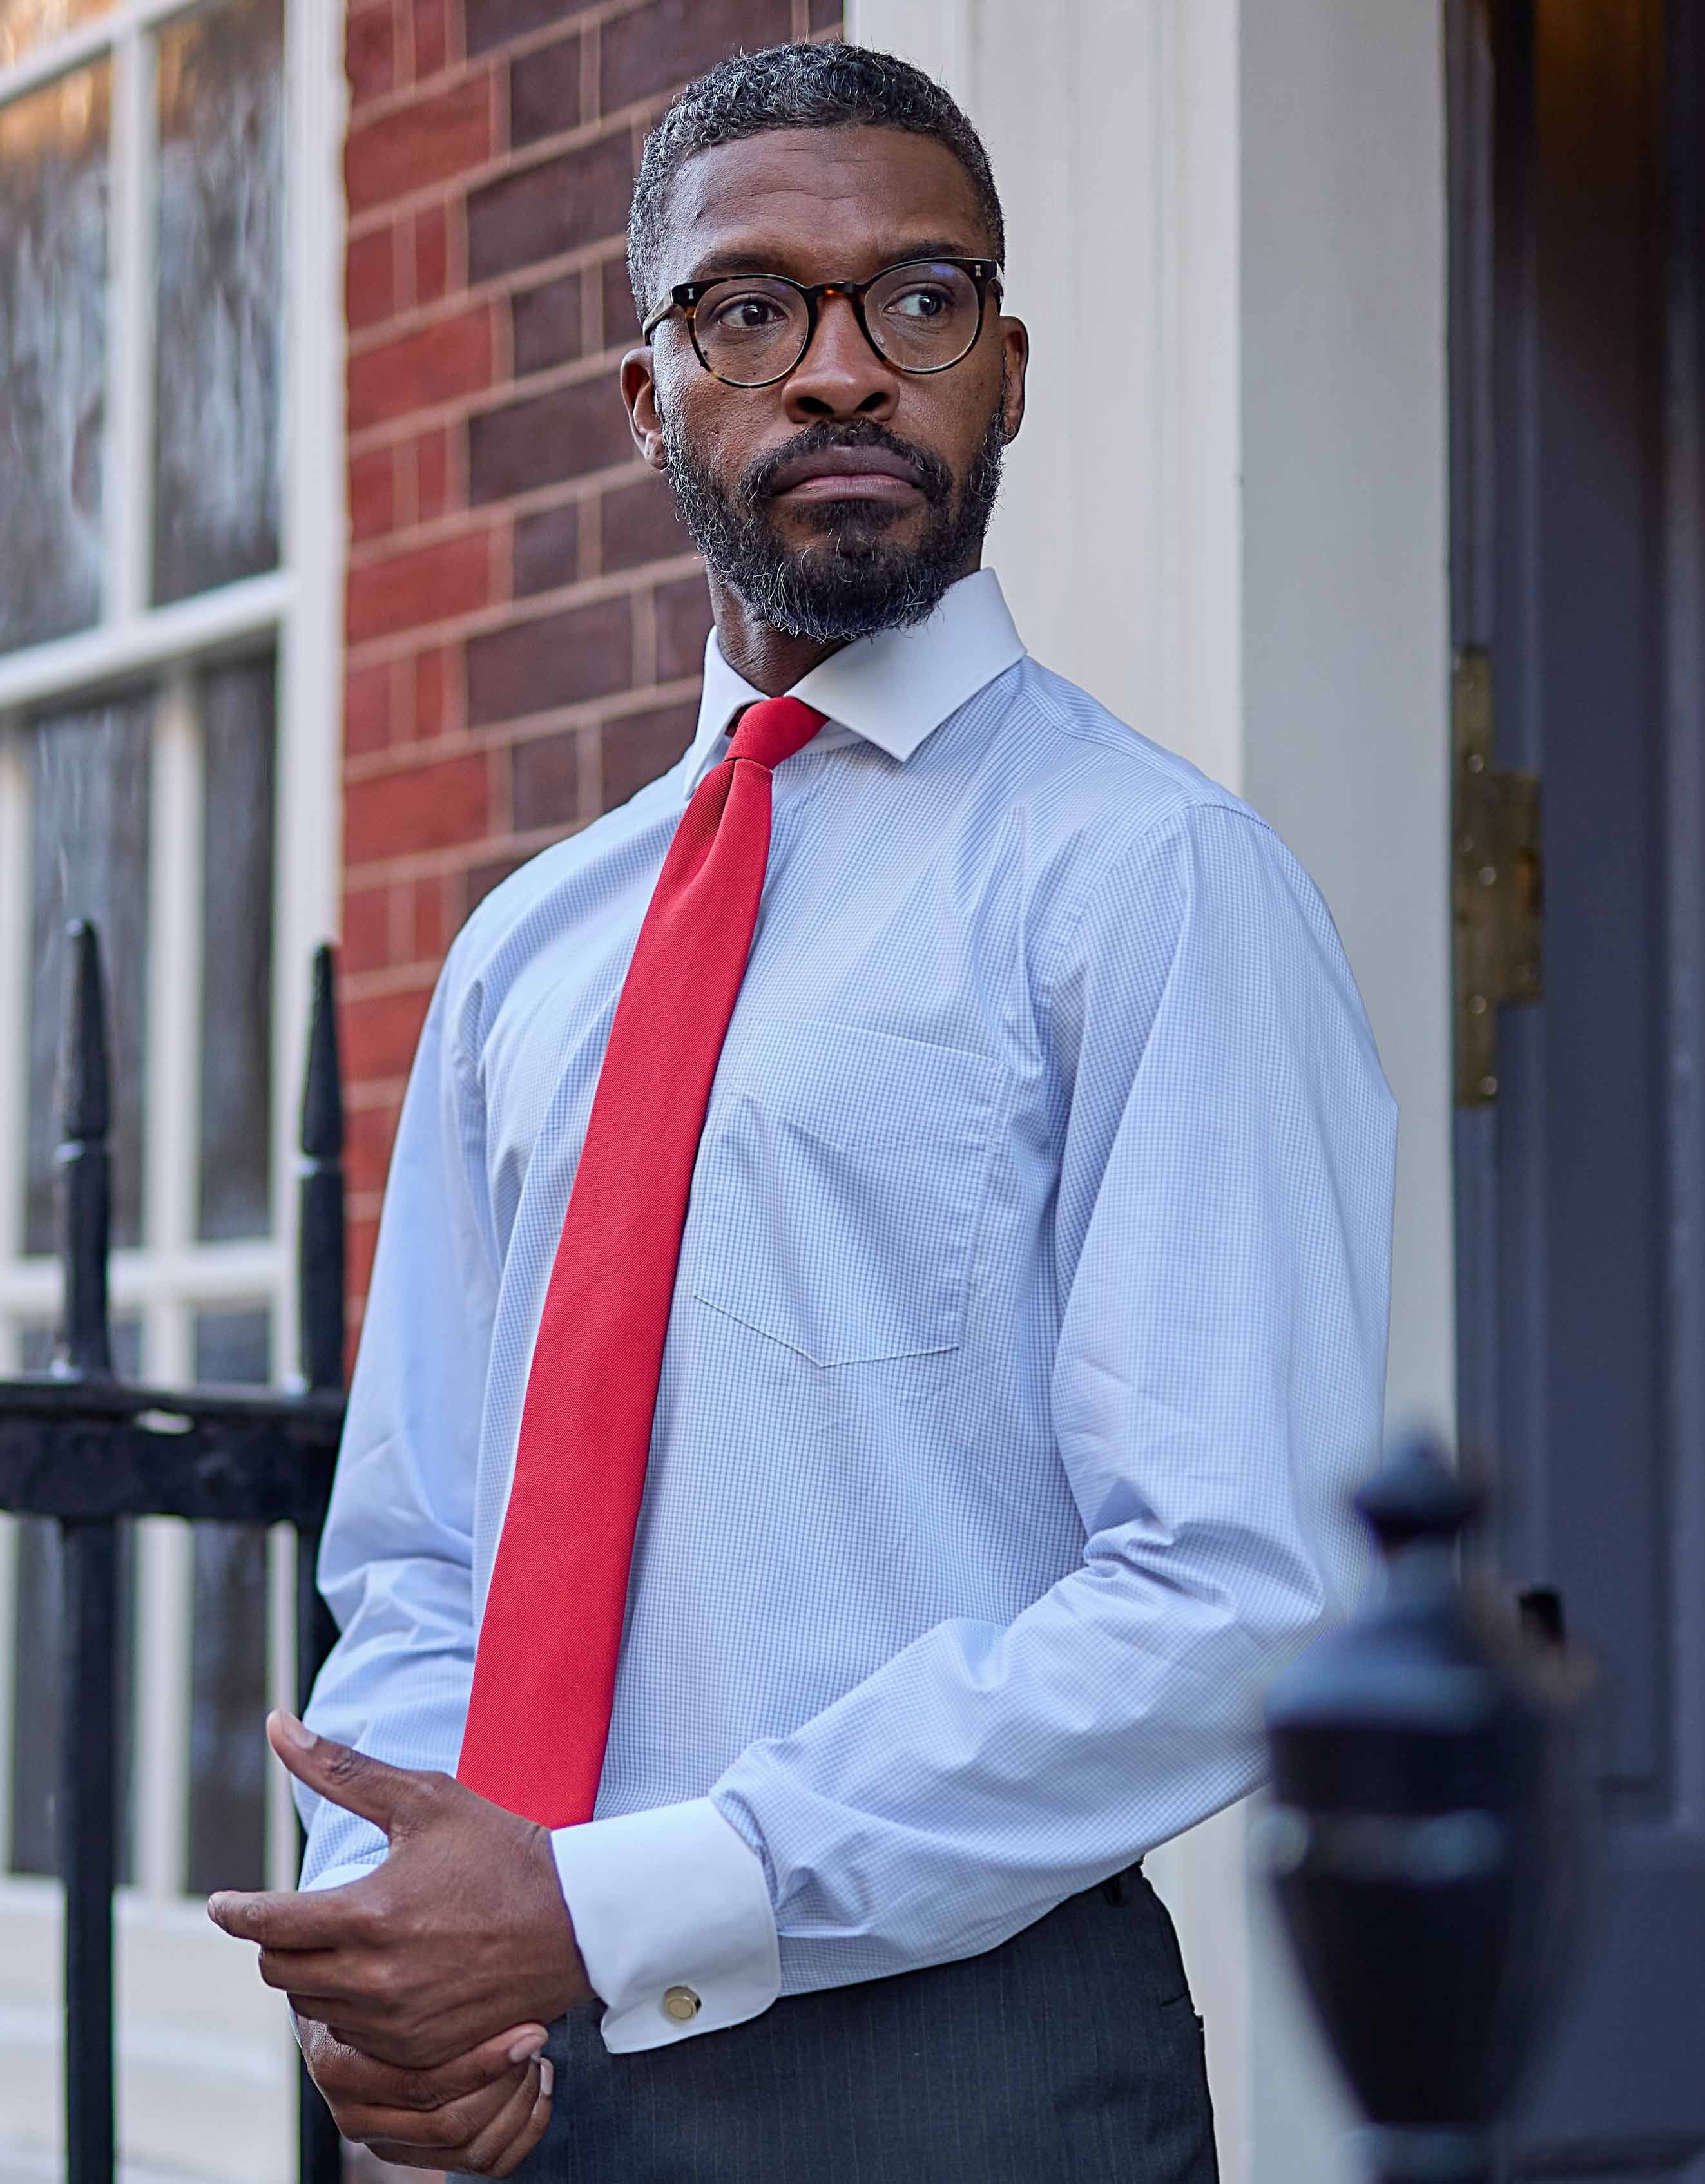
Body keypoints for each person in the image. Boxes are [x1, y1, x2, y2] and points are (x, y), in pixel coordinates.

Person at [208, 41, 1396, 2183]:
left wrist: (616, 1902)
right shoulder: (532, 949)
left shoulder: (1148, 883)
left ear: (1007, 370)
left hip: (955, 2073)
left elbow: (1240, 1588)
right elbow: (423, 1556)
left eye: (916, 303)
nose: (842, 371)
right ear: (651, 396)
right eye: (753, 309)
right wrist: (397, 1937)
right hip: (518, 2085)